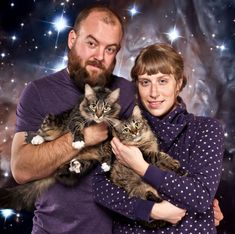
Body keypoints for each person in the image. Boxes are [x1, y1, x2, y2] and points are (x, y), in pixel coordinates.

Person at [10, 5, 223, 233]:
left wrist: (202, 202)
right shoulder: (38, 92)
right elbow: (21, 169)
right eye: (91, 43)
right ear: (72, 38)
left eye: (110, 49)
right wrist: (82, 138)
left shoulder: (130, 92)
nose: (99, 56)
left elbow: (166, 145)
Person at [93, 43, 224, 233]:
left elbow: (200, 197)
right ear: (137, 86)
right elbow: (99, 187)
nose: (154, 93)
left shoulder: (206, 129)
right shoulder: (123, 127)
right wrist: (151, 210)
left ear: (178, 83)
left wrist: (140, 167)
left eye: (163, 81)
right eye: (145, 82)